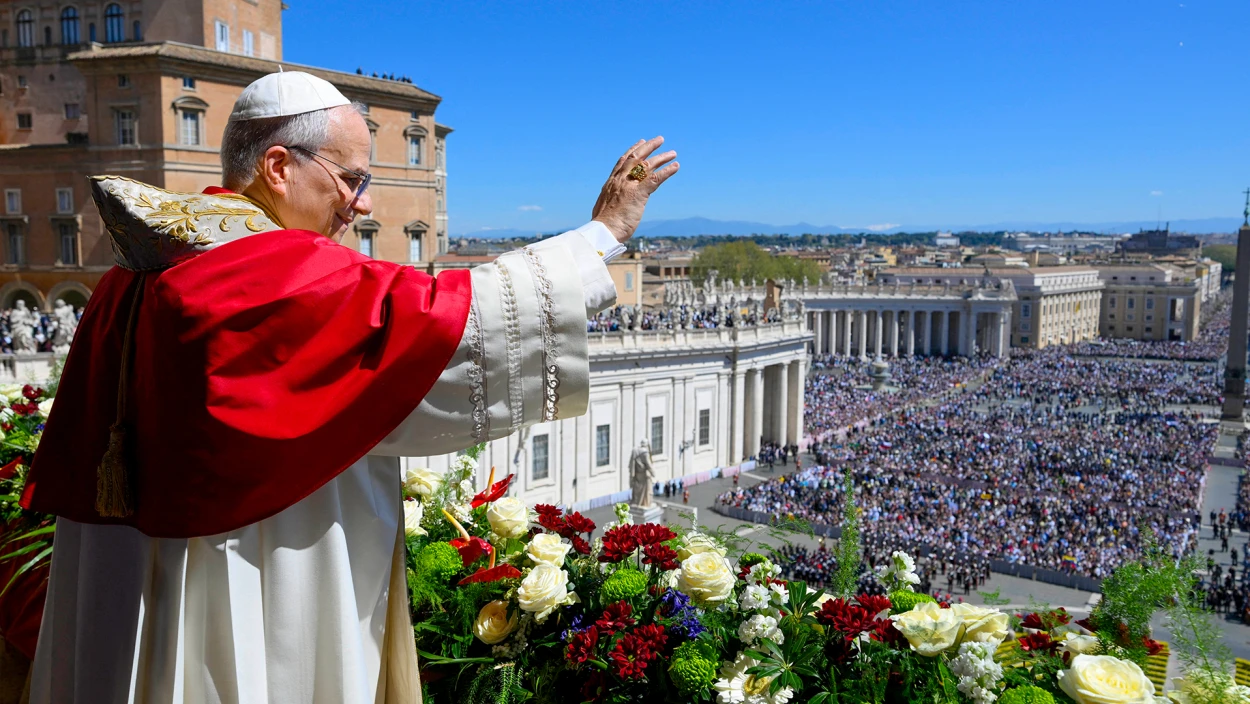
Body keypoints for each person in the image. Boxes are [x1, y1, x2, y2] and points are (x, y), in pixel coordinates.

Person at [22, 71, 679, 703]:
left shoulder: (141, 268)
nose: (361, 203)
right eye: (351, 179)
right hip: (252, 571)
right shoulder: (266, 269)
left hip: (131, 576)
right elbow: (446, 320)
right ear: (279, 167)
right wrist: (605, 234)